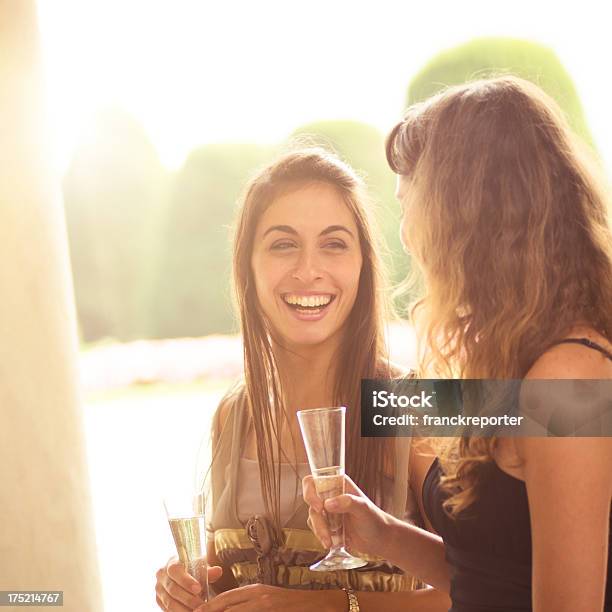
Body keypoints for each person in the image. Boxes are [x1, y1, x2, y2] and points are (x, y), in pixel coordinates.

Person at [304, 76, 612, 612]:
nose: (405, 237)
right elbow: (492, 574)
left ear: (464, 215)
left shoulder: (568, 382)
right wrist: (381, 535)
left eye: (408, 206)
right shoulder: (515, 359)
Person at [155, 148, 450, 611]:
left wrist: (326, 606)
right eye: (283, 244)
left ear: (363, 265)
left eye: (334, 243)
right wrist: (187, 586)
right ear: (247, 267)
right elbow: (225, 579)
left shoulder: (413, 405)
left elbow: (486, 589)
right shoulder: (233, 416)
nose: (308, 270)